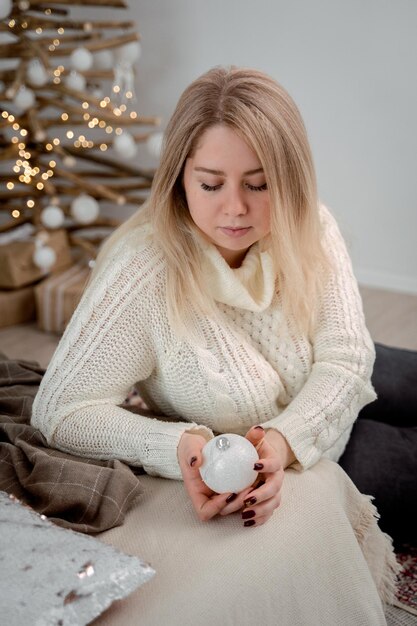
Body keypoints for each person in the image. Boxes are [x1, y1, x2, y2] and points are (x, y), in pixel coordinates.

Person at [31, 66, 399, 625]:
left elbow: (347, 359)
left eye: (260, 183)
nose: (235, 208)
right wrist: (179, 447)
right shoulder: (143, 274)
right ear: (180, 177)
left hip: (321, 386)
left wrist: (283, 436)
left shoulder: (310, 224)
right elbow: (61, 410)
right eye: (210, 183)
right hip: (325, 450)